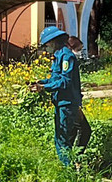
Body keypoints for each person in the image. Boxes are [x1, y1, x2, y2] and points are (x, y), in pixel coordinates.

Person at [30, 27, 81, 166]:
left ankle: (68, 171)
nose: (47, 48)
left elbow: (66, 81)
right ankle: (68, 166)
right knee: (60, 138)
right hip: (60, 103)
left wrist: (44, 88)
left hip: (67, 104)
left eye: (47, 45)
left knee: (63, 139)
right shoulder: (58, 56)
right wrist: (41, 82)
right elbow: (55, 78)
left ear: (53, 42)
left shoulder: (66, 56)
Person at [67, 36, 93, 149]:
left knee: (73, 132)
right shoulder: (69, 59)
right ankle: (76, 157)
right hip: (72, 103)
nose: (80, 52)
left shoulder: (71, 59)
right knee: (84, 130)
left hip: (73, 102)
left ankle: (72, 157)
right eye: (79, 49)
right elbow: (69, 83)